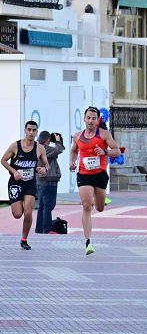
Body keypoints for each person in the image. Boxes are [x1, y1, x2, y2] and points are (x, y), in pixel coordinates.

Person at [70, 106, 121, 255]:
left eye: (94, 118)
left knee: (99, 208)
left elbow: (117, 151)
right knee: (86, 206)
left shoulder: (104, 134)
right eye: (88, 118)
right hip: (84, 174)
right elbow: (74, 150)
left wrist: (105, 151)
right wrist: (72, 162)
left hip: (99, 174)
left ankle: (97, 198)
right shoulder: (78, 136)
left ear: (98, 120)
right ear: (84, 119)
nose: (91, 121)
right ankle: (88, 242)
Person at [2, 121, 48, 249]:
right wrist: (14, 171)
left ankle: (24, 239)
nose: (31, 133)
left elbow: (46, 164)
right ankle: (21, 201)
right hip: (16, 183)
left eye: (34, 130)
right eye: (29, 130)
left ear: (37, 132)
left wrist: (44, 169)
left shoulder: (39, 148)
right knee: (17, 214)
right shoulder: (15, 146)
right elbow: (3, 160)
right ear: (25, 130)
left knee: (28, 212)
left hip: (30, 183)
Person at [35, 131, 64, 235]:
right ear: (47, 140)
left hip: (40, 180)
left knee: (42, 206)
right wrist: (58, 141)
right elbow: (59, 149)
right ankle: (47, 229)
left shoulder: (36, 147)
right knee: (49, 205)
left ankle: (39, 229)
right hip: (49, 180)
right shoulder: (45, 148)